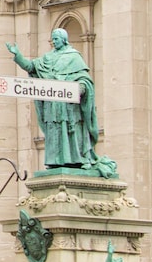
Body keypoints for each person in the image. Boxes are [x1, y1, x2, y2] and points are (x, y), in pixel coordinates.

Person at [6, 28, 100, 170]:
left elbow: (84, 79)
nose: (54, 42)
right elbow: (31, 67)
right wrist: (18, 55)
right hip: (52, 105)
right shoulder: (47, 58)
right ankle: (55, 160)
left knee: (72, 131)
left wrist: (79, 89)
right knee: (54, 131)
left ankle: (77, 159)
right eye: (53, 39)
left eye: (56, 39)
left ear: (64, 39)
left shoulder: (74, 57)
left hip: (69, 106)